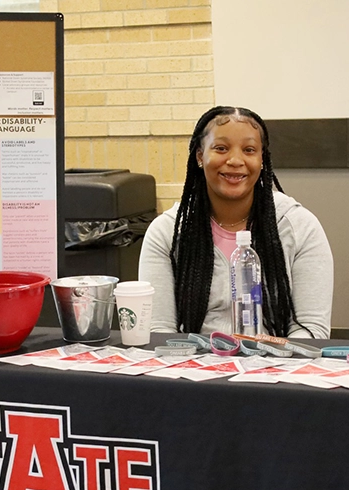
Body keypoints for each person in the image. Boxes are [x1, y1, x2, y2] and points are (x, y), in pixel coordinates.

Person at [138, 106, 333, 339]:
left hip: (276, 367)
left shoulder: (300, 226)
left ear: (262, 159)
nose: (235, 160)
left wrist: (270, 354)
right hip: (192, 368)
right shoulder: (166, 232)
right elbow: (159, 331)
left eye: (249, 150)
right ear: (200, 156)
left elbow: (312, 330)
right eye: (221, 148)